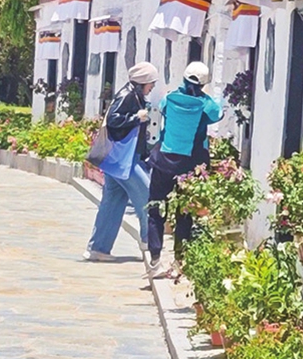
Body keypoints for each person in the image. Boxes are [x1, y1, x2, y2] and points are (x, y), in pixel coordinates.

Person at [146, 52, 220, 275]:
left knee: (156, 207)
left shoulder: (169, 99)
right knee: (184, 212)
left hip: (164, 162)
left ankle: (155, 257)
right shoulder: (206, 106)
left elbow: (163, 109)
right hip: (191, 165)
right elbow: (216, 114)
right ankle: (180, 261)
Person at [84, 64, 156, 263]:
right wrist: (137, 117)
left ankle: (98, 248)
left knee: (112, 204)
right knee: (148, 197)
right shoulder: (128, 95)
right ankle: (149, 242)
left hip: (116, 161)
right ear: (143, 81)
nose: (152, 87)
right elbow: (115, 119)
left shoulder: (133, 95)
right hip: (125, 160)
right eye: (152, 82)